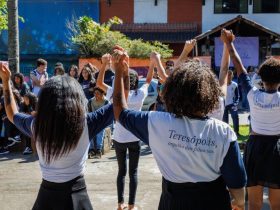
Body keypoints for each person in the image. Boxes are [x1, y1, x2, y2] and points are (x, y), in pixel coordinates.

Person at [112, 47, 246, 210]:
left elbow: (120, 112)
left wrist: (120, 71)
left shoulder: (157, 123)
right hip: (214, 200)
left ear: (171, 91)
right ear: (211, 94)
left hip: (173, 201)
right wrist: (239, 202)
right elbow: (237, 183)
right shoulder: (224, 132)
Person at [0, 62, 114, 210]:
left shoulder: (37, 125)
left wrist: (6, 80)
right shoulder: (87, 124)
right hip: (77, 198)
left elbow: (12, 114)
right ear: (78, 100)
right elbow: (119, 104)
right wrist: (120, 71)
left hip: (45, 198)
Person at [223, 29, 280, 210]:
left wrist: (229, 43)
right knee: (277, 203)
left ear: (261, 78)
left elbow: (238, 65)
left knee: (254, 203)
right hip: (277, 148)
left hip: (254, 146)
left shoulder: (251, 94)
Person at [96, 50, 154, 210]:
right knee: (133, 173)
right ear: (136, 82)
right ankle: (131, 205)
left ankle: (120, 204)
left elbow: (99, 83)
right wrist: (153, 62)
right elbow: (149, 80)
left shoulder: (115, 95)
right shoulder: (139, 95)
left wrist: (104, 65)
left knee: (121, 172)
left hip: (119, 139)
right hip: (134, 139)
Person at [88, 87, 109, 159]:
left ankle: (98, 149)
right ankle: (91, 149)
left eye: (98, 94)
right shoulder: (90, 101)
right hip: (93, 119)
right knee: (90, 130)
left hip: (102, 121)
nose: (96, 95)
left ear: (103, 94)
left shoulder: (106, 102)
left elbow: (107, 115)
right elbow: (89, 112)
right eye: (95, 93)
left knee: (100, 130)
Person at [223, 70, 240, 136]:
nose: (229, 77)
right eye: (228, 76)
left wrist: (235, 103)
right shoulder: (222, 85)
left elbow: (237, 96)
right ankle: (226, 133)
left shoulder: (235, 85)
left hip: (232, 104)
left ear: (232, 76)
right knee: (225, 120)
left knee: (235, 116)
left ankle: (236, 132)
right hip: (224, 104)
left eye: (230, 76)